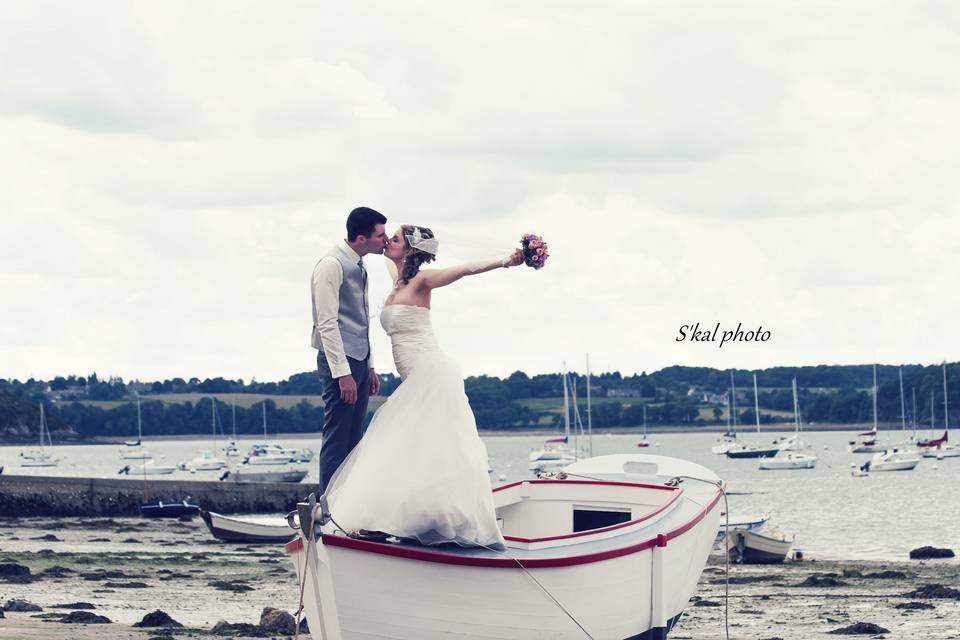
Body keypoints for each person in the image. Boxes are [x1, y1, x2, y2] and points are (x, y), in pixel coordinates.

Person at [324, 225, 523, 550]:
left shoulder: (422, 281)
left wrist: (506, 261)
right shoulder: (397, 278)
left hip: (431, 372)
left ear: (412, 251)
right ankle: (409, 518)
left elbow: (464, 270)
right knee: (413, 446)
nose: (390, 241)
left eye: (397, 239)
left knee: (411, 444)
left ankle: (417, 521)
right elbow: (384, 256)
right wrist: (374, 244)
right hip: (414, 378)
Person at [311, 206, 388, 493]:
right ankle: (329, 509)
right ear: (360, 238)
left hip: (360, 359)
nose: (385, 239)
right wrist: (343, 373)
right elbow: (327, 324)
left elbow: (360, 319)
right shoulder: (331, 265)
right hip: (339, 363)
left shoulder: (360, 263)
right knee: (337, 438)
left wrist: (369, 366)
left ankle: (349, 505)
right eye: (380, 235)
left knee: (355, 440)